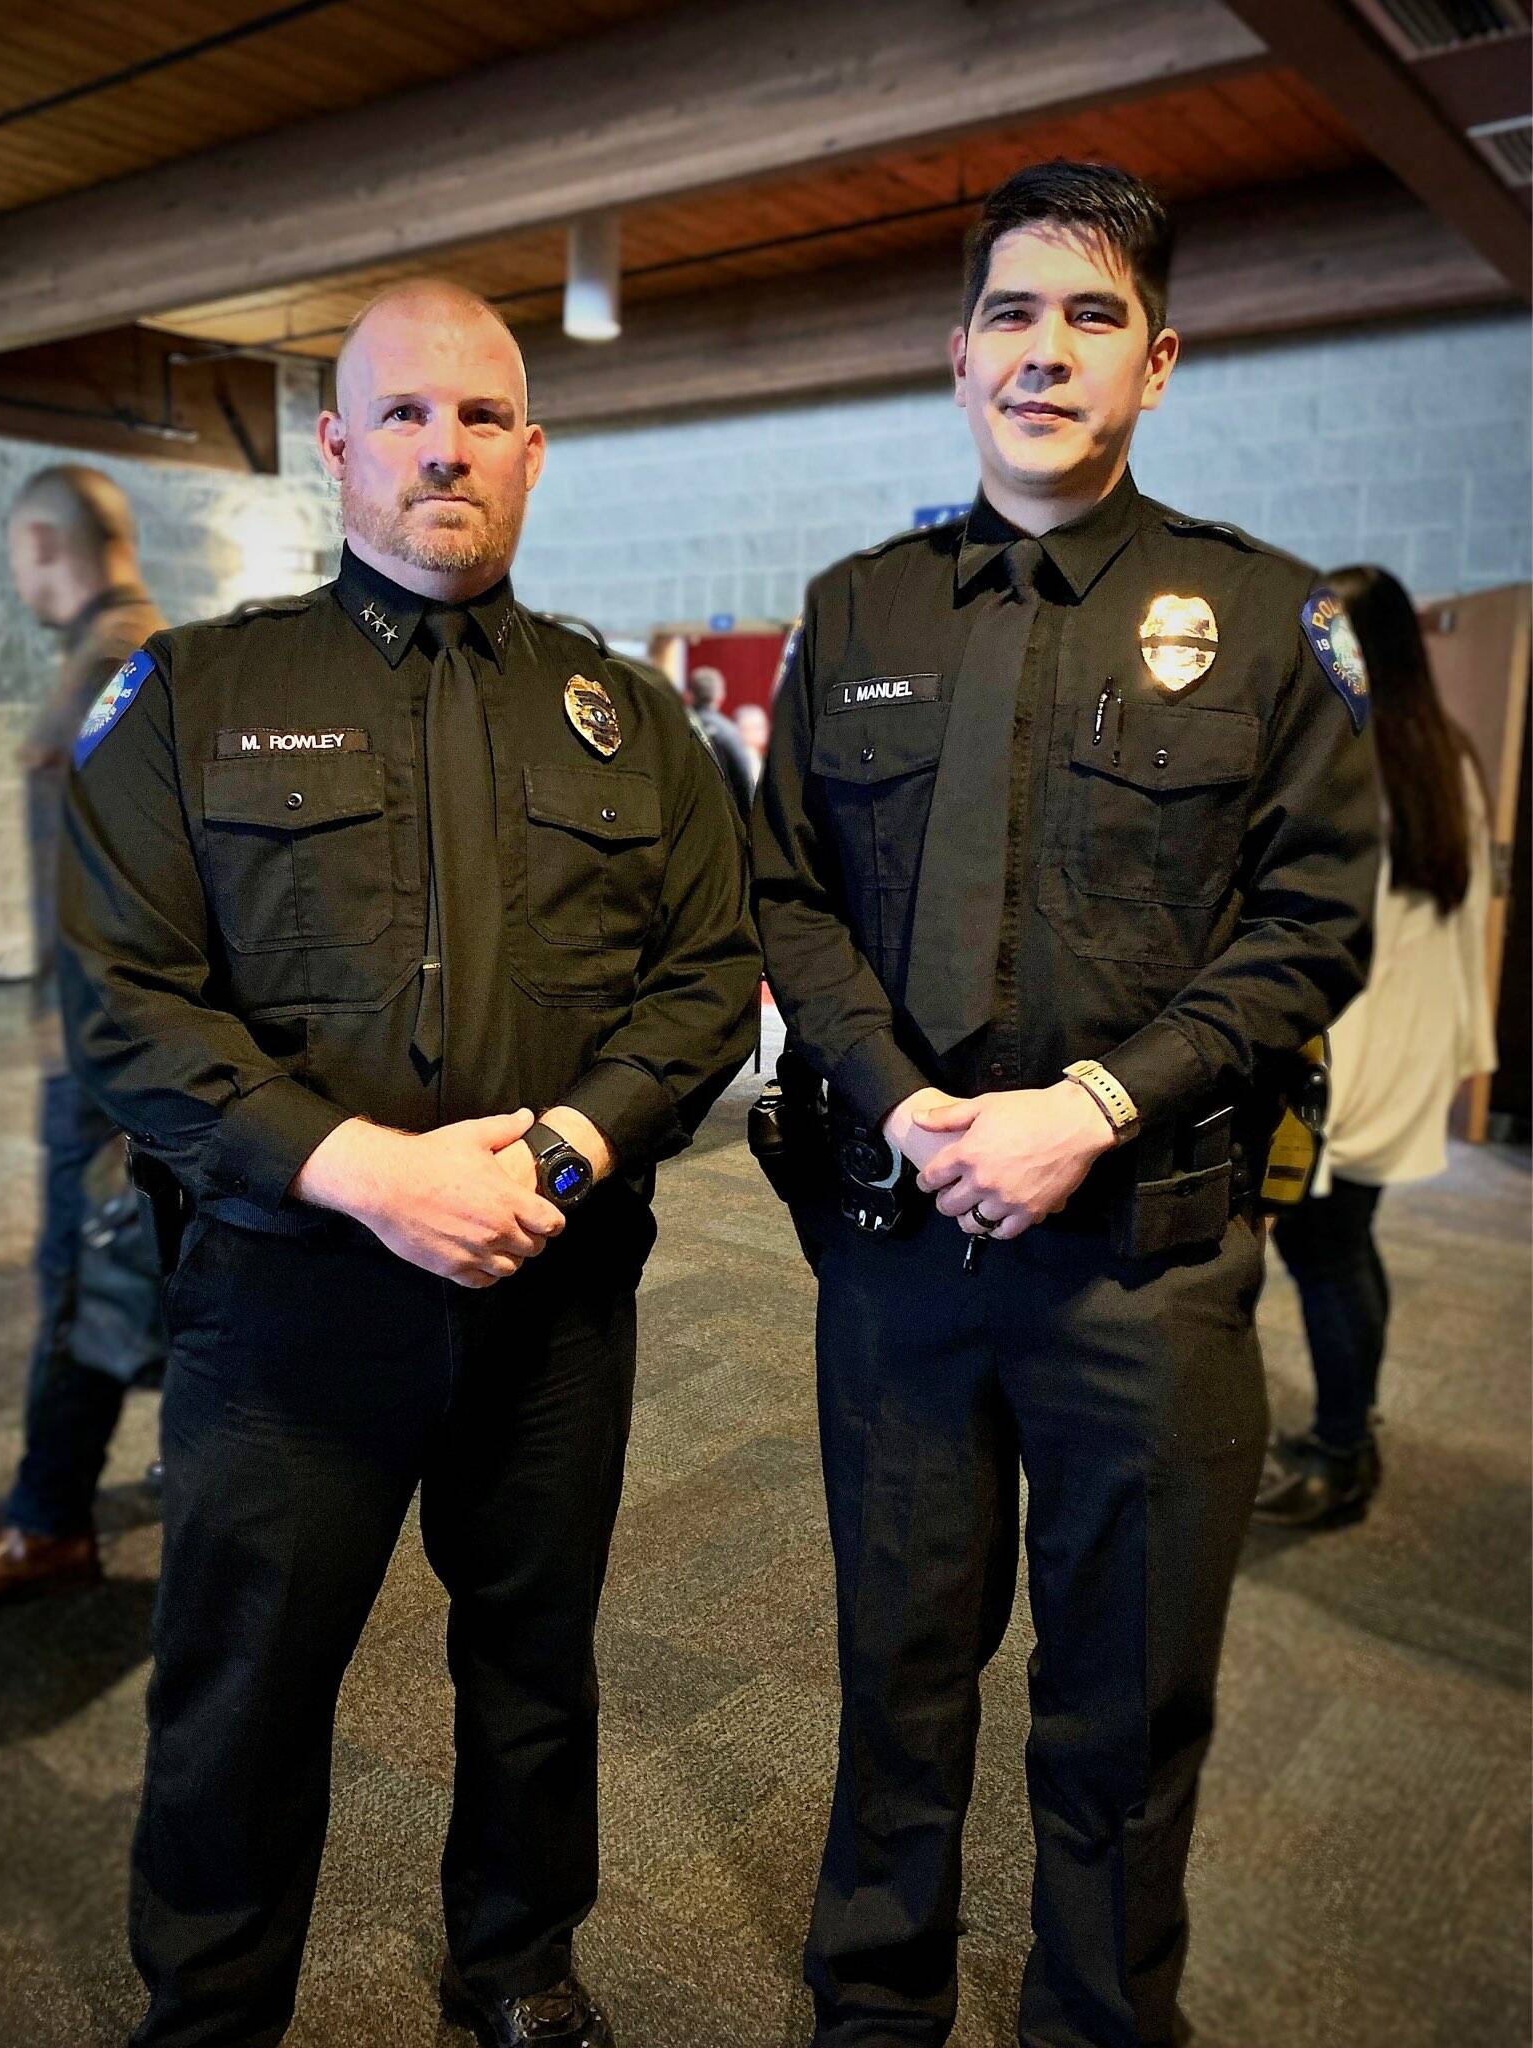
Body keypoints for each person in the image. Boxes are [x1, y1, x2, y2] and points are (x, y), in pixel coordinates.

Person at [57, 281, 759, 2048]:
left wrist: (571, 1144)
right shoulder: (195, 694)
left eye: (479, 419)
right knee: (244, 1687)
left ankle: (516, 1963)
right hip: (286, 1299)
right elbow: (128, 1005)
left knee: (533, 1664)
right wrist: (361, 1166)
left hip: (550, 1286)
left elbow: (702, 980)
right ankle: (208, 2005)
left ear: (529, 450)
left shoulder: (632, 720)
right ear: (334, 444)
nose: (441, 446)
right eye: (401, 414)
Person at [750, 161, 1379, 2048]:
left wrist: (1090, 1102)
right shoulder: (855, 607)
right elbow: (788, 887)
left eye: (1090, 315)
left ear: (1158, 360)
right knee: (898, 1679)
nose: (1044, 350)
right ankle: (873, 2013)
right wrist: (899, 1096)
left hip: (1144, 1269)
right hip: (897, 1250)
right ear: (957, 359)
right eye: (1011, 316)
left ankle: (1098, 2021)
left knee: (1119, 1706)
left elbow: (1308, 923)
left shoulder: (1265, 620)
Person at [0, 467, 166, 1612]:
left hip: (103, 1054)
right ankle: (171, 1468)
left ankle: (46, 1523)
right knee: (128, 1265)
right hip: (104, 1045)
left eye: (15, 551)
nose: (13, 575)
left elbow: (129, 880)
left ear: (48, 544)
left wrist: (95, 1061)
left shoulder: (115, 670)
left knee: (82, 1275)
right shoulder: (127, 656)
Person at [1255, 565, 1497, 1529]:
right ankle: (1354, 1427)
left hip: (1350, 1054)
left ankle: (1344, 1455)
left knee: (1327, 1255)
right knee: (1348, 1246)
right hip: (1399, 1049)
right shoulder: (1444, 756)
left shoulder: (1359, 757)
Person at [684, 663, 754, 809]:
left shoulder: (679, 728)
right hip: (724, 814)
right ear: (720, 695)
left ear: (690, 693)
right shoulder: (729, 732)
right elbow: (744, 778)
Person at [734, 700, 770, 787]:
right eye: (759, 727)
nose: (765, 731)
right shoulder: (749, 757)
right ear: (743, 729)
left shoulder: (755, 756)